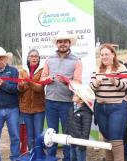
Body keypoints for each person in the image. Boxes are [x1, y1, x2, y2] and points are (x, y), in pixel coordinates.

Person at [41, 33, 82, 161]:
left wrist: (67, 82)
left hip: (66, 102)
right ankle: (51, 158)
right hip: (50, 101)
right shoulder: (49, 59)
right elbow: (42, 78)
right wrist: (48, 79)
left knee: (66, 132)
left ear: (69, 43)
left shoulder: (76, 60)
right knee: (51, 132)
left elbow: (78, 82)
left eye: (65, 41)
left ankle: (67, 158)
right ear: (57, 44)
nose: (62, 44)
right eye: (60, 42)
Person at [90, 43, 127, 161]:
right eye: (102, 55)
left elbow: (126, 85)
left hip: (117, 107)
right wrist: (96, 83)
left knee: (116, 137)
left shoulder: (121, 68)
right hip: (100, 108)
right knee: (106, 138)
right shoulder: (97, 69)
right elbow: (91, 86)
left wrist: (115, 81)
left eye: (107, 54)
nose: (104, 57)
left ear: (113, 54)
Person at [18, 49, 45, 151]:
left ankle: (39, 154)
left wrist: (29, 81)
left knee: (38, 134)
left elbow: (39, 88)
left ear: (38, 59)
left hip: (39, 108)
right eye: (32, 56)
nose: (34, 58)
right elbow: (20, 89)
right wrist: (21, 85)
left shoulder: (42, 71)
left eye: (36, 56)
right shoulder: (22, 71)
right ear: (28, 58)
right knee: (30, 135)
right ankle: (32, 154)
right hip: (25, 108)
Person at [65, 82, 94, 161]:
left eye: (76, 95)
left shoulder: (86, 113)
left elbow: (86, 130)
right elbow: (68, 123)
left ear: (81, 100)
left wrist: (83, 144)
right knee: (72, 158)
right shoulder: (71, 109)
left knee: (80, 158)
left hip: (80, 143)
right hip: (71, 140)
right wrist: (67, 135)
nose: (73, 95)